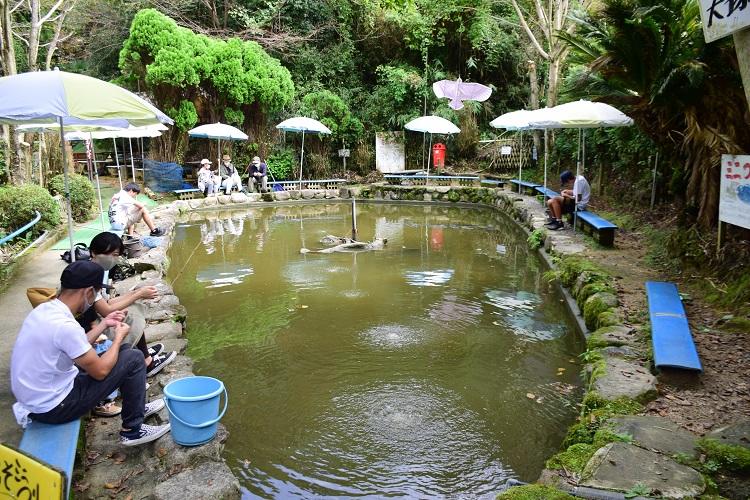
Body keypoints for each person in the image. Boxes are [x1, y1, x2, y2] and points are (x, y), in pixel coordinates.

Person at [10, 260, 171, 446]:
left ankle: (137, 408)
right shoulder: (65, 326)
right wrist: (118, 338)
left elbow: (78, 345)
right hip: (53, 408)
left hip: (39, 398)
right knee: (133, 358)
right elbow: (100, 372)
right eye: (96, 292)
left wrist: (104, 323)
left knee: (127, 351)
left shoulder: (46, 310)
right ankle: (133, 431)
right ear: (88, 292)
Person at [83, 231, 177, 379]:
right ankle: (146, 362)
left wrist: (136, 293)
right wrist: (138, 295)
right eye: (109, 254)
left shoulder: (95, 270)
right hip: (92, 331)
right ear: (93, 252)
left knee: (133, 305)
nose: (112, 258)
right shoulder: (88, 275)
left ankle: (142, 353)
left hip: (97, 322)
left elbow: (106, 302)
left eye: (116, 255)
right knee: (132, 313)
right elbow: (106, 310)